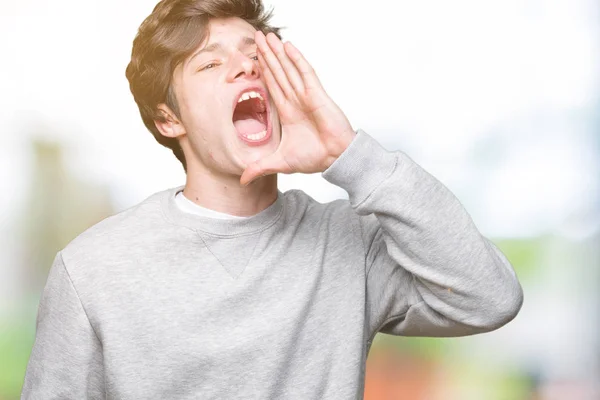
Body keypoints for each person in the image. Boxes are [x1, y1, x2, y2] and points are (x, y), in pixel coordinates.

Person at [21, 0, 524, 398]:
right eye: (210, 63)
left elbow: (491, 299)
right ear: (168, 119)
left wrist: (349, 154)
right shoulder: (92, 270)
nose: (245, 70)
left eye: (256, 55)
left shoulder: (348, 245)